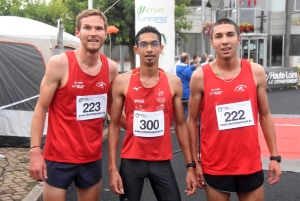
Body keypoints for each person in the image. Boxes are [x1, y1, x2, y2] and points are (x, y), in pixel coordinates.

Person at [28, 9, 125, 201]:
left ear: (105, 34)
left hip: (92, 157)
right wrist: (35, 152)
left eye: (98, 28)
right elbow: (40, 108)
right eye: (87, 28)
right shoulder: (59, 64)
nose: (93, 33)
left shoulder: (111, 69)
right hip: (58, 157)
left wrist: (138, 128)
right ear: (78, 33)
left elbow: (112, 110)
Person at [187, 18, 282, 201]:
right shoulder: (200, 77)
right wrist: (193, 163)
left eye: (230, 35)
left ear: (239, 39)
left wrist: (274, 156)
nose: (225, 40)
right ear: (212, 42)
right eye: (219, 36)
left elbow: (265, 115)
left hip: (249, 164)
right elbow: (191, 121)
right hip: (215, 165)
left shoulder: (256, 71)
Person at [108, 25, 197, 201]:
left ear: (160, 48)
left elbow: (180, 125)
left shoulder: (173, 82)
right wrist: (112, 168)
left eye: (154, 44)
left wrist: (190, 166)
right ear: (136, 49)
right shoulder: (122, 81)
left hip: (161, 161)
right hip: (131, 160)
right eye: (143, 44)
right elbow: (114, 124)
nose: (149, 49)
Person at [176, 53, 197, 120]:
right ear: (187, 60)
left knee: (181, 109)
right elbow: (193, 78)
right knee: (188, 110)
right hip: (187, 93)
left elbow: (187, 68)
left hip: (180, 91)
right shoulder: (187, 70)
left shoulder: (177, 67)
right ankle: (185, 123)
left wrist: (193, 66)